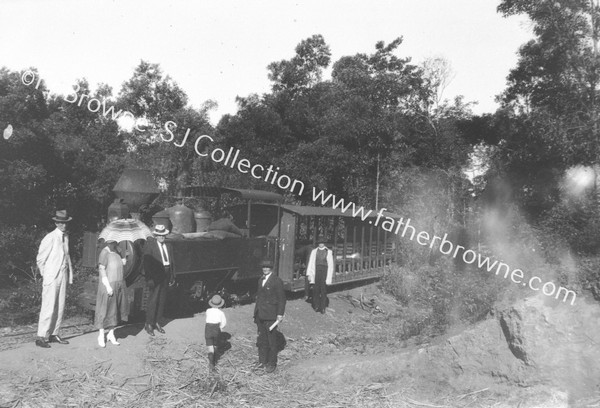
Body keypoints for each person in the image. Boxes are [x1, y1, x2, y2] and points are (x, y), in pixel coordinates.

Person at [35, 210, 74, 348]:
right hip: (52, 276)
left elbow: (66, 256)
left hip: (62, 274)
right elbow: (40, 259)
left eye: (65, 223)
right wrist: (47, 275)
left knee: (60, 306)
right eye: (61, 223)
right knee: (48, 306)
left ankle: (53, 334)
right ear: (56, 223)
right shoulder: (50, 237)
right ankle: (41, 336)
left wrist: (69, 274)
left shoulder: (66, 237)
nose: (64, 225)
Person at [253, 260, 286, 373]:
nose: (265, 269)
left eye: (267, 267)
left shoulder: (277, 281)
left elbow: (282, 299)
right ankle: (262, 362)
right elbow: (259, 298)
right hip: (261, 315)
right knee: (262, 340)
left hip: (271, 315)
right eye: (264, 267)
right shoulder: (261, 280)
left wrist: (280, 314)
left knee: (272, 341)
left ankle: (272, 364)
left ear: (271, 268)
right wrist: (256, 313)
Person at [95, 240, 129, 347]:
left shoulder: (117, 251)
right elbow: (102, 269)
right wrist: (107, 285)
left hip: (118, 283)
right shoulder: (104, 252)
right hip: (108, 284)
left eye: (114, 242)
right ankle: (101, 335)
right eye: (110, 242)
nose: (112, 244)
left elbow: (122, 263)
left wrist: (124, 255)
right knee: (104, 309)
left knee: (115, 309)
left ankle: (111, 334)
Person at [142, 224, 174, 336]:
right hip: (155, 277)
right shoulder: (150, 246)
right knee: (153, 301)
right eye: (159, 235)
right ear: (155, 235)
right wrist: (150, 278)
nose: (162, 237)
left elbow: (172, 263)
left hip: (166, 275)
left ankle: (157, 322)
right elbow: (146, 264)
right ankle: (149, 324)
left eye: (163, 235)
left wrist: (172, 277)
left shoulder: (168, 246)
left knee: (161, 300)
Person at [306, 238, 334, 314]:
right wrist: (309, 274)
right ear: (318, 244)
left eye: (322, 243)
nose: (321, 244)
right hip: (316, 271)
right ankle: (316, 306)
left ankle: (323, 307)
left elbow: (331, 265)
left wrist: (329, 277)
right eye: (319, 243)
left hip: (324, 271)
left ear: (324, 243)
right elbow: (311, 263)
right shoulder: (314, 251)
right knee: (316, 290)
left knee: (323, 290)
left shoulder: (329, 252)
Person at [205, 294, 227, 373]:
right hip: (216, 329)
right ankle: (215, 361)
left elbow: (207, 318)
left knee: (210, 347)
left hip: (208, 329)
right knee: (215, 345)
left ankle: (211, 364)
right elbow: (224, 323)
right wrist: (220, 327)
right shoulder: (221, 313)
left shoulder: (208, 310)